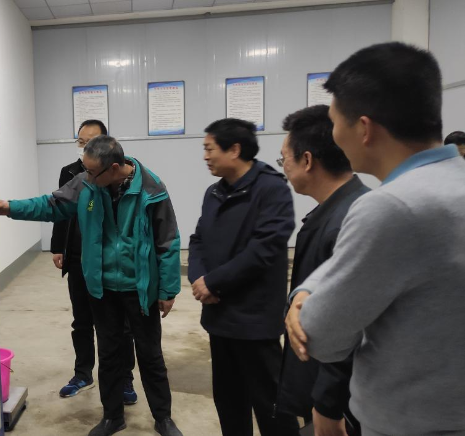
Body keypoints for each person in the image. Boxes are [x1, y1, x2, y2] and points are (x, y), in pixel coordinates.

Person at [286, 42, 465, 436]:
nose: (333, 135)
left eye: (335, 122)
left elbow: (321, 335)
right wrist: (310, 288)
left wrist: (301, 301)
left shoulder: (390, 208)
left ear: (364, 129)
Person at [0, 136, 183, 436]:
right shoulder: (87, 184)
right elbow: (51, 205)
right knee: (108, 354)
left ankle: (163, 418)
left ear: (114, 168)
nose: (86, 177)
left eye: (92, 172)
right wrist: (10, 208)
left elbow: (168, 241)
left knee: (150, 355)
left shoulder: (151, 188)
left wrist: (168, 290)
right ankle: (112, 417)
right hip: (102, 287)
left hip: (139, 288)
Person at [188, 118, 297, 436]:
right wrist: (199, 279)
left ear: (234, 150)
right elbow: (198, 239)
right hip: (219, 317)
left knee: (271, 405)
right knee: (229, 401)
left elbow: (263, 250)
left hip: (254, 321)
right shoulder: (214, 192)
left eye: (210, 149)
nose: (205, 156)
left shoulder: (271, 189)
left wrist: (213, 283)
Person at [275, 105, 369, 436]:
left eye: (283, 159)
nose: (283, 167)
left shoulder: (349, 222)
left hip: (343, 402)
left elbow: (348, 322)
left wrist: (328, 403)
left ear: (307, 160)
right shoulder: (338, 210)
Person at [51, 120, 137, 404]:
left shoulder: (117, 172)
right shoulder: (70, 172)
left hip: (109, 259)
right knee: (82, 321)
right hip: (78, 256)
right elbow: (59, 208)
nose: (85, 146)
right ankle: (83, 373)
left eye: (91, 141)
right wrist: (57, 247)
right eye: (81, 141)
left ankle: (125, 378)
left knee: (120, 325)